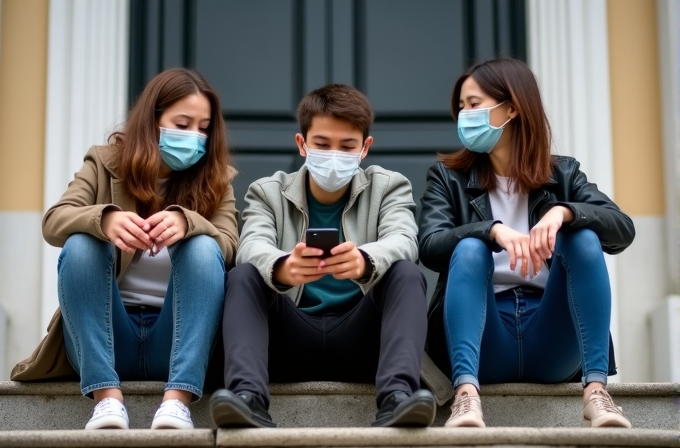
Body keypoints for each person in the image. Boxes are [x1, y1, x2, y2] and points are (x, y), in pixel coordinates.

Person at [14, 68, 238, 430]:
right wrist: (104, 220)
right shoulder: (105, 162)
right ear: (153, 121)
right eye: (182, 124)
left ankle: (178, 402)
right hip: (106, 337)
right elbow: (55, 220)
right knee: (82, 243)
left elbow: (229, 247)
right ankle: (106, 399)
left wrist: (188, 222)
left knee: (203, 248)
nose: (194, 136)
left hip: (178, 340)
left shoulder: (217, 179)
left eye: (203, 127)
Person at [418, 58, 635, 429]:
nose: (463, 115)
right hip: (483, 337)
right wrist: (492, 231)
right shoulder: (448, 177)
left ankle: (597, 391)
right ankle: (466, 398)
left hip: (552, 338)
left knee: (582, 235)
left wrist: (563, 212)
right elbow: (431, 244)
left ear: (512, 107)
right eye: (461, 107)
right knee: (469, 246)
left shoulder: (564, 173)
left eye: (474, 104)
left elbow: (622, 229)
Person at [209, 84, 436, 428]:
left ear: (365, 148)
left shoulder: (389, 186)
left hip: (365, 343)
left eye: (347, 147)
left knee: (406, 272)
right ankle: (248, 399)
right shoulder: (268, 191)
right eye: (322, 144)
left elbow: (404, 239)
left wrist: (365, 261)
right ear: (302, 144)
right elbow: (251, 246)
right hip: (287, 341)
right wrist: (284, 268)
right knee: (243, 276)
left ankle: (397, 399)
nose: (334, 156)